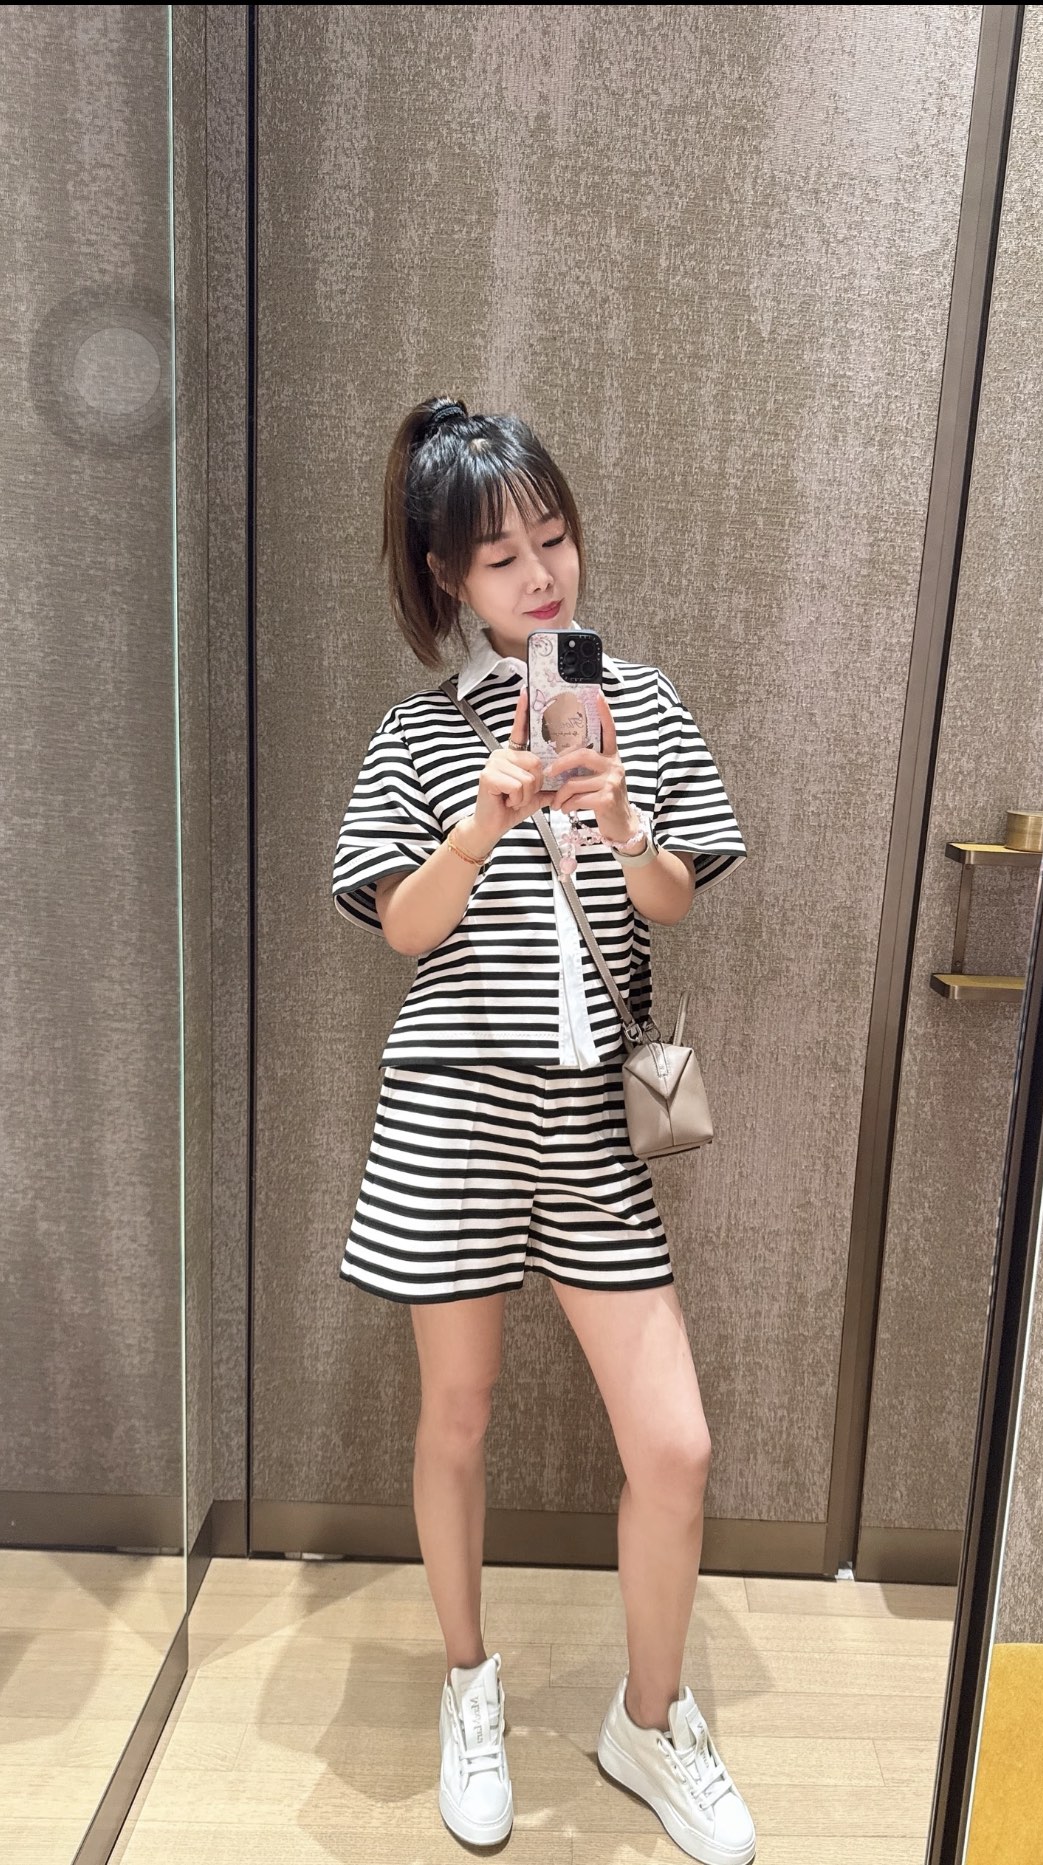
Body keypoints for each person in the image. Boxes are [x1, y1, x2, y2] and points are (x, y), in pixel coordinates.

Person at [331, 395, 754, 1864]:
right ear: (448, 574)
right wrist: (479, 821)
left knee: (675, 1446)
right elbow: (401, 929)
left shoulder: (645, 702)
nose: (541, 575)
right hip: (452, 1112)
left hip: (592, 1125)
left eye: (554, 539)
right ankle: (470, 1684)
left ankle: (651, 1718)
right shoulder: (415, 731)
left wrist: (623, 815)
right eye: (503, 557)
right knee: (456, 1415)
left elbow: (674, 901)